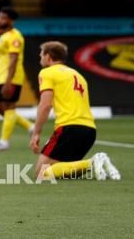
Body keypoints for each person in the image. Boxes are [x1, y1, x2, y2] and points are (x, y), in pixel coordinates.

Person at [30, 41, 120, 180]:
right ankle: (94, 164)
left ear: (48, 56)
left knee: (40, 174)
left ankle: (92, 162)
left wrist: (36, 133)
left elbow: (45, 104)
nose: (40, 57)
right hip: (89, 130)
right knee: (63, 168)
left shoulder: (47, 72)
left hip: (69, 127)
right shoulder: (78, 75)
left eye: (41, 54)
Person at [0, 7, 34, 151]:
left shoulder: (15, 36)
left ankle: (4, 142)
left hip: (12, 77)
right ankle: (31, 127)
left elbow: (14, 60)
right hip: (1, 77)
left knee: (9, 107)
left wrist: (9, 81)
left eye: (3, 18)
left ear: (11, 21)